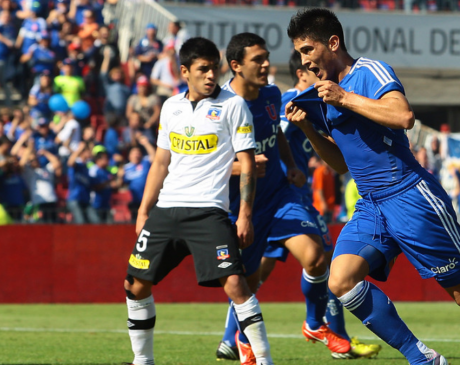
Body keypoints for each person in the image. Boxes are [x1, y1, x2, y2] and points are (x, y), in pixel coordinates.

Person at [285, 8, 460, 365]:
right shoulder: (324, 96)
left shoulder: (368, 72)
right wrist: (307, 130)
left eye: (307, 50)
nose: (303, 62)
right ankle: (423, 358)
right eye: (299, 53)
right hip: (371, 204)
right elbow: (343, 165)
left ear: (332, 43)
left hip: (410, 197)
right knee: (340, 280)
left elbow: (403, 116)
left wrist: (345, 98)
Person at [123, 37, 273, 365]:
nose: (210, 76)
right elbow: (161, 162)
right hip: (167, 209)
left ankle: (264, 361)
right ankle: (142, 361)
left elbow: (247, 162)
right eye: (202, 69)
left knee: (235, 284)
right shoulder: (171, 107)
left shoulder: (233, 106)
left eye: (214, 69)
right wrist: (144, 209)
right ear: (184, 72)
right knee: (134, 285)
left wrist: (244, 215)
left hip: (209, 211)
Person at [217, 32, 350, 363]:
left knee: (317, 257)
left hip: (281, 194)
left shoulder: (271, 95)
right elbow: (204, 162)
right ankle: (239, 338)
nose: (267, 64)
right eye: (258, 60)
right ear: (236, 66)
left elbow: (275, 134)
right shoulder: (218, 108)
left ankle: (313, 323)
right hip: (244, 206)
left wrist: (290, 166)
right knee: (248, 281)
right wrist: (241, 167)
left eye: (266, 57)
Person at [257, 49, 381, 360]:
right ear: (301, 74)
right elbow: (273, 138)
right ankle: (327, 331)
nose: (322, 76)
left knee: (316, 258)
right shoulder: (285, 103)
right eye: (315, 71)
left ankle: (332, 334)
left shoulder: (312, 108)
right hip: (282, 197)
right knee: (266, 268)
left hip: (297, 196)